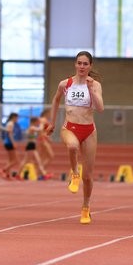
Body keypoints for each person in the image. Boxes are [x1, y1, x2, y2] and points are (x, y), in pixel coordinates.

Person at [47, 50, 104, 225]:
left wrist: (90, 89)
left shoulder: (95, 85)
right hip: (69, 127)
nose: (81, 66)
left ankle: (86, 207)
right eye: (79, 63)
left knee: (89, 176)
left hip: (89, 130)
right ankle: (74, 172)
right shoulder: (65, 84)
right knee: (72, 147)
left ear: (90, 66)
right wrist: (52, 123)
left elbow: (100, 108)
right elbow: (56, 101)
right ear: (75, 64)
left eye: (85, 64)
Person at [1, 112, 20, 179]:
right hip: (9, 143)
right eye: (17, 118)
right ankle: (4, 169)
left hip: (7, 142)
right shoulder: (11, 123)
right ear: (14, 117)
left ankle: (7, 174)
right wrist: (13, 143)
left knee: (10, 160)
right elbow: (10, 134)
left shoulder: (9, 123)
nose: (17, 119)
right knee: (15, 160)